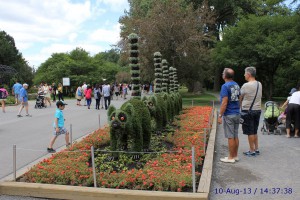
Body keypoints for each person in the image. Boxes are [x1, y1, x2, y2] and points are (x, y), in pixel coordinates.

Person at [218, 68, 241, 163]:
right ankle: (235, 155)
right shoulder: (236, 85)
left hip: (229, 114)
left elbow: (224, 102)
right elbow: (240, 99)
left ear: (225, 76)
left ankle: (230, 157)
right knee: (235, 135)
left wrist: (220, 115)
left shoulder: (225, 86)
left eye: (223, 73)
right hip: (236, 113)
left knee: (230, 136)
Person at [239, 67, 262, 157]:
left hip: (248, 111)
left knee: (250, 132)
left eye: (245, 73)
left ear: (248, 74)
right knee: (255, 130)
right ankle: (256, 149)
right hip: (258, 110)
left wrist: (239, 106)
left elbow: (240, 97)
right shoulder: (259, 84)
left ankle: (251, 150)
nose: (244, 75)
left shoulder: (246, 85)